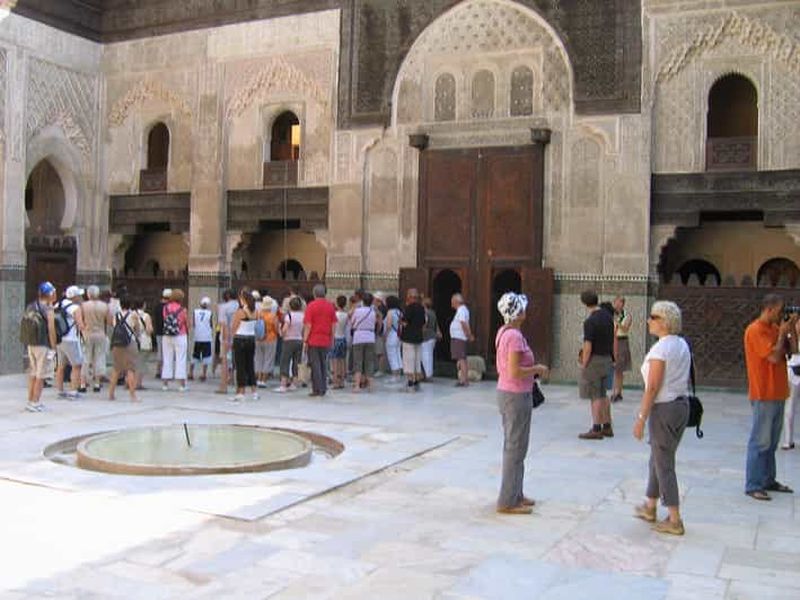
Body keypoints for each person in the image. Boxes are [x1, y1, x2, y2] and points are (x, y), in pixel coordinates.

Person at [632, 301, 691, 535]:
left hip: (664, 409)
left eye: (653, 317)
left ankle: (674, 518)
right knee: (657, 457)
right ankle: (650, 504)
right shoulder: (681, 345)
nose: (649, 320)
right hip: (680, 406)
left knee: (664, 462)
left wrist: (640, 418)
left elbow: (653, 386)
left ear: (664, 322)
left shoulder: (661, 349)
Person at [495, 292, 549, 515]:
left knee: (518, 447)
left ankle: (516, 492)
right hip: (515, 395)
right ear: (517, 313)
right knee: (514, 447)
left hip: (511, 393)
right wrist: (537, 369)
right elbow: (515, 371)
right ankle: (507, 500)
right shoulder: (514, 337)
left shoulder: (505, 332)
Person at [743, 294, 797, 500]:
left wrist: (790, 330)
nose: (782, 313)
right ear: (769, 309)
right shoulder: (755, 330)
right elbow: (773, 357)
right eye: (780, 310)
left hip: (778, 391)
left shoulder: (776, 329)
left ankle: (768, 479)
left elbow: (793, 352)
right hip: (763, 392)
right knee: (760, 440)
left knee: (772, 441)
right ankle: (753, 484)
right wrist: (782, 334)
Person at [578, 290, 615, 440]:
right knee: (603, 393)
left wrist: (584, 363)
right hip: (607, 358)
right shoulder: (608, 317)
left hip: (595, 361)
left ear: (585, 303)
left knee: (595, 395)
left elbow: (588, 345)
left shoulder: (590, 322)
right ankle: (607, 426)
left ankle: (596, 428)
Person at [23, 281, 58, 412]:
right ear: (49, 294)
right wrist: (53, 347)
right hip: (43, 345)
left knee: (33, 373)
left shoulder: (31, 306)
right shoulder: (48, 309)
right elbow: (51, 329)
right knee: (41, 375)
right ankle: (35, 402)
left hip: (31, 343)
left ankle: (30, 400)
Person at [303, 284, 337, 397]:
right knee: (323, 364)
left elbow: (308, 325)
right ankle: (323, 387)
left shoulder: (311, 306)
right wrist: (332, 338)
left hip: (313, 339)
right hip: (326, 339)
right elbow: (333, 324)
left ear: (314, 293)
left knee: (315, 365)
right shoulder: (330, 306)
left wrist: (305, 340)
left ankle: (317, 389)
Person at [55, 285, 86, 399]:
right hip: (71, 339)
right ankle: (73, 391)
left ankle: (60, 390)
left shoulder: (57, 305)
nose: (81, 297)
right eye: (79, 295)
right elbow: (80, 324)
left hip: (60, 339)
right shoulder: (75, 308)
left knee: (60, 366)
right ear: (75, 296)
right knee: (76, 365)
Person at [108, 296, 141, 402]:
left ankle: (111, 394)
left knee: (116, 369)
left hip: (117, 343)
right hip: (130, 343)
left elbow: (114, 326)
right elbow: (137, 329)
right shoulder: (134, 315)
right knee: (130, 369)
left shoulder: (116, 315)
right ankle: (132, 395)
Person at [230, 287, 259, 401]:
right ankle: (254, 391)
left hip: (240, 339)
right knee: (250, 365)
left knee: (240, 366)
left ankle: (241, 391)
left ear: (243, 300)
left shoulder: (240, 312)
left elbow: (234, 327)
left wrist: (230, 340)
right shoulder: (256, 312)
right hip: (251, 339)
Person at [81, 285, 110, 393]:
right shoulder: (104, 306)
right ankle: (97, 383)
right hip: (100, 333)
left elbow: (80, 320)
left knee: (85, 357)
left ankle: (83, 383)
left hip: (87, 333)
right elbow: (110, 321)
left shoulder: (83, 306)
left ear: (88, 294)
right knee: (99, 357)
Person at [161, 288, 190, 392]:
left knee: (167, 358)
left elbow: (165, 319)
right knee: (180, 359)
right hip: (180, 335)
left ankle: (165, 384)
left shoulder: (165, 308)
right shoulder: (183, 310)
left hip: (167, 335)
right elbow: (187, 324)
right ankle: (181, 385)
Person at [276, 296, 304, 393]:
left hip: (289, 340)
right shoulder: (302, 316)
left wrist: (280, 332)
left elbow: (285, 328)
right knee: (297, 362)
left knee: (285, 361)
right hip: (299, 339)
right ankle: (294, 383)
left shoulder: (289, 316)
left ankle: (283, 383)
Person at [400, 288, 426, 392]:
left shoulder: (409, 308)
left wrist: (401, 322)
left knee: (409, 360)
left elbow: (405, 321)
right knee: (416, 360)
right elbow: (423, 322)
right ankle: (417, 382)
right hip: (418, 338)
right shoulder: (421, 308)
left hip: (409, 338)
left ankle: (410, 384)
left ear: (410, 297)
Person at [350, 292, 377, 392]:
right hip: (370, 337)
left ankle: (357, 385)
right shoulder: (373, 312)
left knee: (358, 362)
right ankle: (371, 386)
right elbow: (375, 323)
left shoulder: (357, 311)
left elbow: (352, 322)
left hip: (358, 337)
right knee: (369, 362)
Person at [216, 289, 239, 394]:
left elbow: (224, 324)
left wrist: (226, 339)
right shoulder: (240, 306)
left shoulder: (223, 307)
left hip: (228, 336)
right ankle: (234, 379)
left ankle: (223, 385)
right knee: (237, 359)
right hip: (240, 335)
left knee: (225, 361)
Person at [782, 315, 800, 450]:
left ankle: (788, 441)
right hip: (792, 371)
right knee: (790, 406)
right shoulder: (788, 335)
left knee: (790, 406)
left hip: (793, 370)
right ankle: (788, 440)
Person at [611, 295, 633, 403]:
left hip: (621, 341)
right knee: (613, 368)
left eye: (620, 303)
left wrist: (617, 321)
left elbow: (625, 328)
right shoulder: (610, 314)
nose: (617, 305)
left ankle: (618, 392)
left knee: (619, 369)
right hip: (612, 341)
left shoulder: (627, 315)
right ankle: (614, 391)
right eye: (616, 302)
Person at [450, 293, 474, 387]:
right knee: (460, 359)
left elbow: (464, 324)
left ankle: (464, 380)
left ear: (456, 302)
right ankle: (462, 378)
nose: (451, 304)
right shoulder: (462, 310)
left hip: (459, 337)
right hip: (457, 337)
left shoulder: (461, 310)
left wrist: (469, 335)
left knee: (462, 359)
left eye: (452, 302)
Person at [255, 296, 279, 388]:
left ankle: (258, 378)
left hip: (258, 339)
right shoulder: (273, 316)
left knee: (258, 359)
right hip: (270, 339)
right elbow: (276, 329)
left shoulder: (258, 314)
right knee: (268, 359)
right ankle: (263, 380)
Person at [189, 297, 213, 382]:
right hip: (206, 337)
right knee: (206, 356)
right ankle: (203, 374)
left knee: (195, 355)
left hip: (197, 336)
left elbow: (194, 324)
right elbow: (211, 324)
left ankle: (190, 373)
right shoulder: (210, 313)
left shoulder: (195, 312)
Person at [133, 299, 153, 390]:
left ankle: (129, 381)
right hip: (144, 340)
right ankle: (138, 383)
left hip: (133, 340)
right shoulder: (146, 316)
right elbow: (149, 329)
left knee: (133, 362)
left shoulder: (131, 315)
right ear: (143, 305)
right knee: (141, 363)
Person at [151, 289, 170, 378]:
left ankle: (158, 370)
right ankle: (165, 370)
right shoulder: (169, 307)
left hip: (158, 331)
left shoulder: (157, 306)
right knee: (167, 352)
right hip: (167, 332)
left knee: (160, 352)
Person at [421, 297, 441, 381]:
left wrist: (420, 332)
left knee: (425, 356)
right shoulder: (433, 313)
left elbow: (424, 324)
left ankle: (427, 375)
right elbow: (436, 325)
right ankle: (428, 374)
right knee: (429, 356)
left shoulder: (425, 313)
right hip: (433, 336)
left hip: (426, 337)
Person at [331, 295, 349, 389]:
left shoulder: (335, 314)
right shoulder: (346, 315)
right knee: (342, 360)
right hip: (343, 338)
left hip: (335, 338)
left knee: (334, 361)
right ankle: (342, 381)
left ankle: (335, 381)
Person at [384, 295, 403, 378]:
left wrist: (385, 336)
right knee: (398, 353)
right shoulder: (399, 312)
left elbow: (388, 325)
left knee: (392, 354)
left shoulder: (390, 312)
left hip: (391, 335)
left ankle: (394, 375)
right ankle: (398, 373)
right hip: (398, 335)